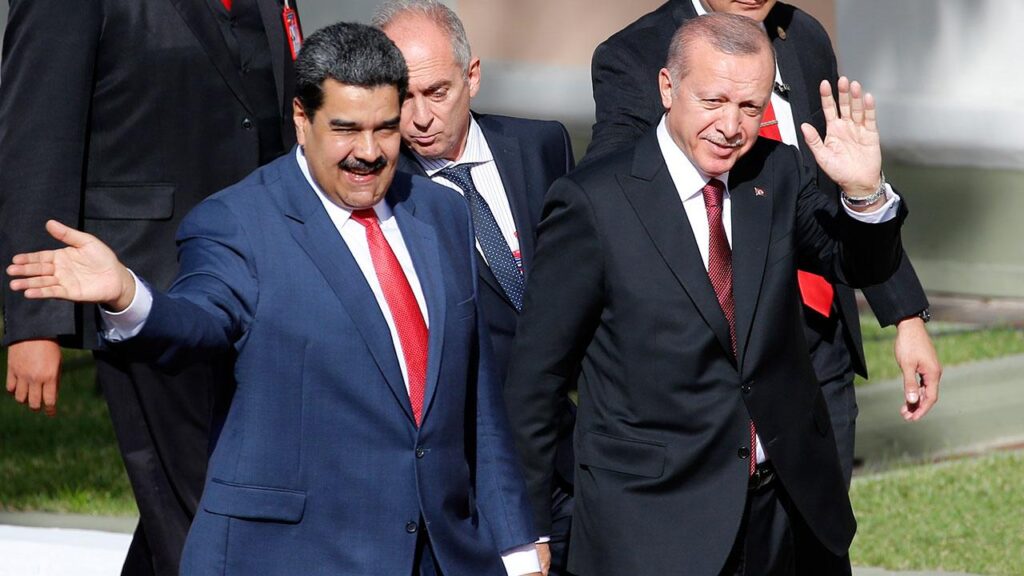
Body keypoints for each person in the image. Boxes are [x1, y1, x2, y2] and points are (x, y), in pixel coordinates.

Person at [7, 22, 542, 576]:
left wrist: (518, 543)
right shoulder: (238, 222)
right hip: (294, 556)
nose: (369, 152)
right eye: (345, 128)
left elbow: (477, 402)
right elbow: (199, 323)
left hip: (440, 556)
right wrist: (128, 295)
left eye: (386, 129)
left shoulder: (440, 212)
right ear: (301, 120)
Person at [506, 13, 909, 576]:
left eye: (750, 108)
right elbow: (536, 380)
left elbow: (854, 262)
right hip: (654, 523)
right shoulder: (593, 203)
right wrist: (526, 530)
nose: (731, 126)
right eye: (713, 101)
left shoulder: (776, 173)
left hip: (787, 513)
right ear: (668, 88)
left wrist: (865, 195)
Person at [585, 0, 941, 484]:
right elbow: (614, 194)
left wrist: (904, 313)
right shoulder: (634, 53)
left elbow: (836, 175)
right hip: (716, 352)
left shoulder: (802, 36)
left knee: (820, 538)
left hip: (818, 344)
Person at [0, 0, 298, 573]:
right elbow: (35, 139)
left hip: (257, 278)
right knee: (206, 515)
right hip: (138, 285)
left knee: (196, 507)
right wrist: (35, 320)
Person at [373, 2, 576, 573]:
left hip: (567, 449)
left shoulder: (542, 147)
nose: (417, 117)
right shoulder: (387, 195)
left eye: (436, 92)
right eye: (400, 95)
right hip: (467, 473)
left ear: (473, 76)